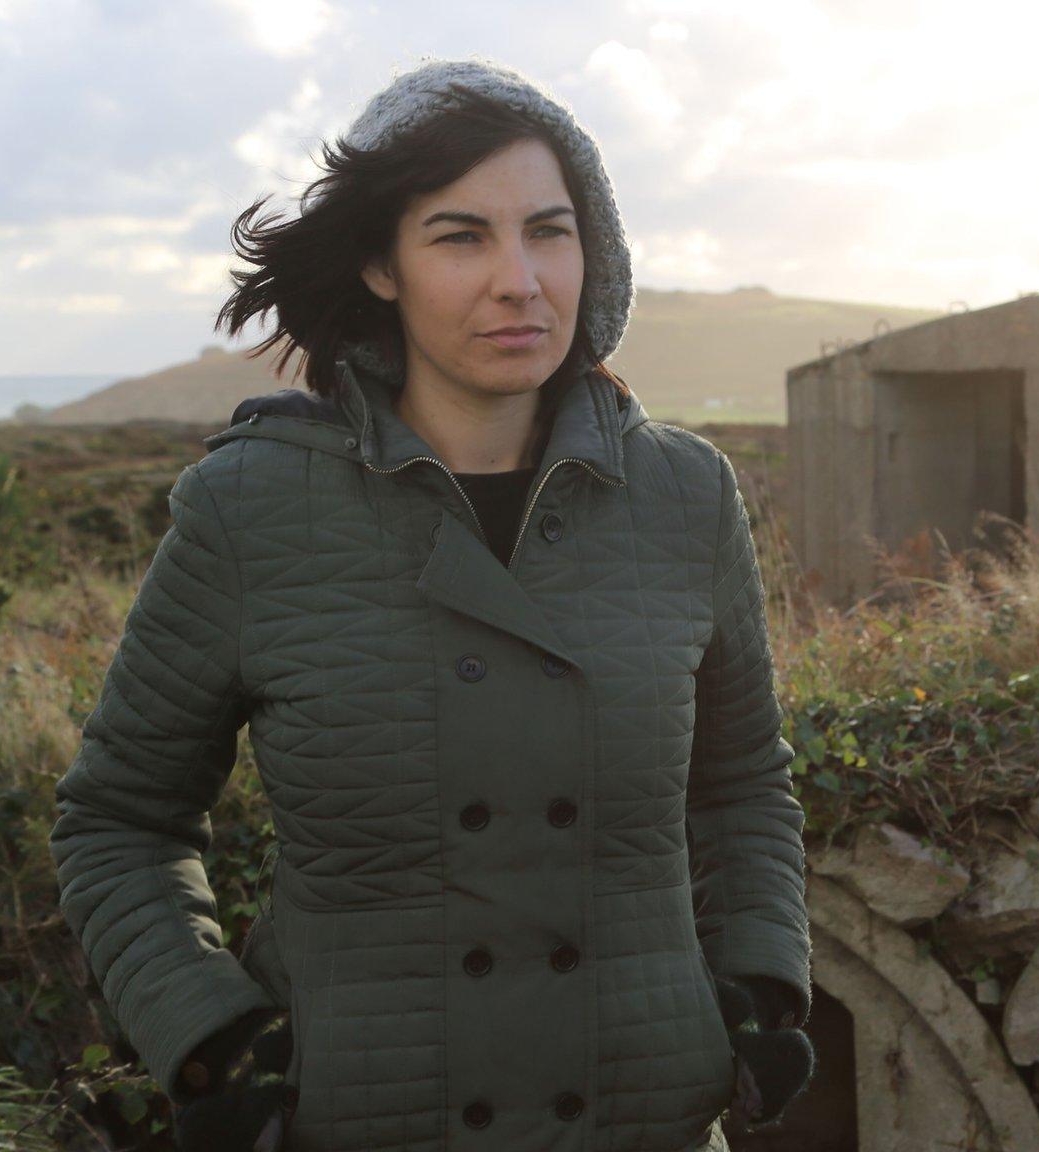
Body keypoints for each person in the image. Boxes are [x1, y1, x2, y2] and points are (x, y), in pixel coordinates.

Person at [48, 57, 815, 1152]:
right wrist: (217, 1043)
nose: (520, 279)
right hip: (363, 1117)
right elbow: (119, 820)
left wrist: (759, 986)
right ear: (380, 265)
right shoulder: (252, 508)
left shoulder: (684, 494)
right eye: (461, 237)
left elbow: (742, 786)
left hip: (642, 1114)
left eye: (549, 231)